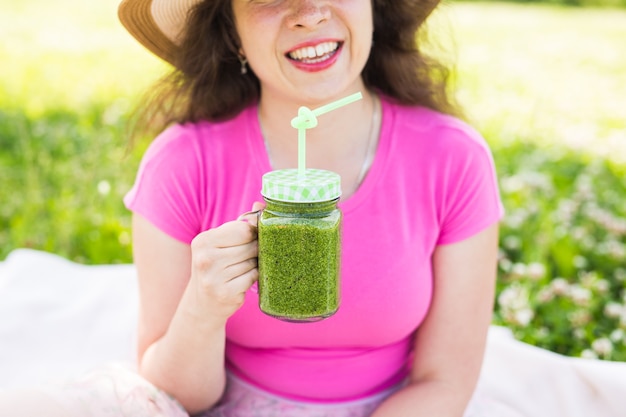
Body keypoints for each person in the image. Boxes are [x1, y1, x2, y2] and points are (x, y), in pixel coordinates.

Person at [0, 0, 503, 416]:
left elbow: (445, 383)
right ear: (234, 34)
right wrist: (204, 307)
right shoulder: (183, 162)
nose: (308, 13)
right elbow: (176, 394)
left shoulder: (453, 159)